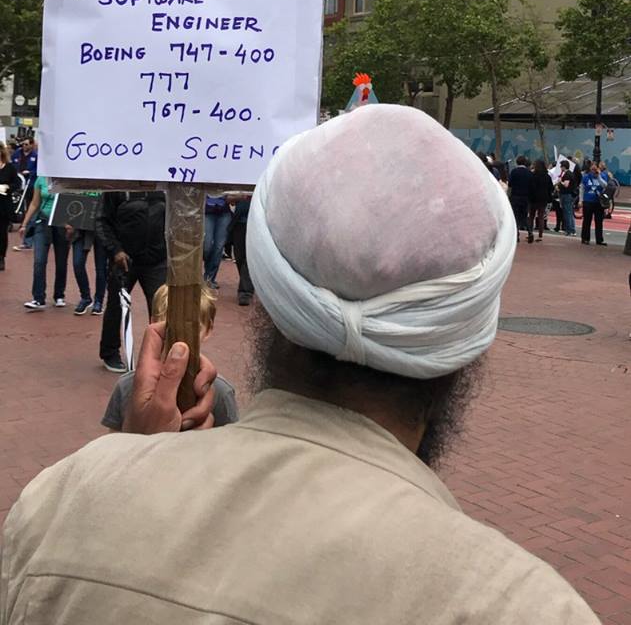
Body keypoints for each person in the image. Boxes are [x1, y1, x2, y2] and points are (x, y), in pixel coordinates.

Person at [0, 105, 599, 624]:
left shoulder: (59, 505)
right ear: (465, 341)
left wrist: (126, 473)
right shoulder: (524, 605)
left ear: (271, 298)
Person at [101, 284, 238, 430]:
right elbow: (114, 436)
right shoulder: (127, 386)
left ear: (208, 329)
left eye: (194, 330)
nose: (181, 339)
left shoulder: (221, 392)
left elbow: (231, 439)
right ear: (154, 323)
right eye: (171, 328)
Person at [97, 191, 167, 373]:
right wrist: (115, 250)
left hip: (156, 260)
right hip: (124, 259)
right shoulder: (116, 188)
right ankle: (110, 352)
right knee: (116, 306)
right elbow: (102, 221)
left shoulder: (162, 185)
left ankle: (159, 353)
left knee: (161, 307)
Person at [19, 176, 70, 310]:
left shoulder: (66, 178)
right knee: (39, 261)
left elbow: (72, 202)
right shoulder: (41, 180)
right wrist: (24, 224)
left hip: (62, 222)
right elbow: (35, 203)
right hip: (43, 221)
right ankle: (38, 298)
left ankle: (59, 295)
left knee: (61, 261)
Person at [68, 211, 108, 316]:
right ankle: (85, 297)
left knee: (101, 268)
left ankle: (99, 300)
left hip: (102, 226)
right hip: (81, 227)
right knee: (77, 264)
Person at [11, 138, 38, 250]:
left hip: (30, 185)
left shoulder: (36, 156)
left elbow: (38, 170)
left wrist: (30, 172)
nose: (24, 146)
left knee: (31, 210)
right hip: (18, 184)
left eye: (26, 144)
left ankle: (28, 240)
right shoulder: (17, 154)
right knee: (16, 204)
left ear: (31, 145)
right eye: (23, 144)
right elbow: (12, 165)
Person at [229, 192, 254, 305]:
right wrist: (240, 196)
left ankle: (245, 292)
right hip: (239, 223)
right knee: (239, 257)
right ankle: (248, 282)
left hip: (256, 223)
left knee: (248, 259)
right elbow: (229, 197)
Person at [202, 195, 232, 287]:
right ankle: (206, 274)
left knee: (219, 247)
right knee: (207, 246)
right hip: (207, 211)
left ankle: (210, 278)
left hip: (224, 212)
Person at [0, 142, 19, 271]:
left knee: (2, 233)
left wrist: (8, 187)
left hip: (3, 205)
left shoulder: (10, 168)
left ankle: (1, 257)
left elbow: (17, 183)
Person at [581, 161, 608, 246]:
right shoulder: (586, 177)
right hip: (588, 200)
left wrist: (598, 177)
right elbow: (582, 188)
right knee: (587, 220)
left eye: (595, 168)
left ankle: (599, 239)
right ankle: (585, 238)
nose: (593, 170)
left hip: (598, 201)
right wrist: (581, 200)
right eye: (592, 168)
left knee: (599, 221)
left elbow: (605, 186)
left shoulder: (603, 175)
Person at [508, 155, 532, 242]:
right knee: (525, 216)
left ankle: (516, 233)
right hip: (525, 197)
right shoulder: (529, 173)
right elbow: (531, 186)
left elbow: (510, 184)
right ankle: (530, 232)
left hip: (515, 196)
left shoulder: (514, 172)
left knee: (516, 216)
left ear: (517, 162)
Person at [527, 159, 553, 242]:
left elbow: (530, 187)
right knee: (541, 216)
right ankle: (540, 235)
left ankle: (530, 233)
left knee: (531, 216)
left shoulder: (532, 176)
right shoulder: (547, 177)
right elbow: (551, 188)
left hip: (533, 198)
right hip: (543, 198)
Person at [558, 160, 577, 237]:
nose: (560, 168)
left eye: (561, 166)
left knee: (567, 212)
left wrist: (560, 181)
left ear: (564, 166)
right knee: (569, 212)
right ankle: (571, 229)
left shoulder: (567, 174)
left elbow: (566, 185)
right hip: (569, 194)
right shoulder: (570, 173)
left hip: (566, 194)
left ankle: (569, 230)